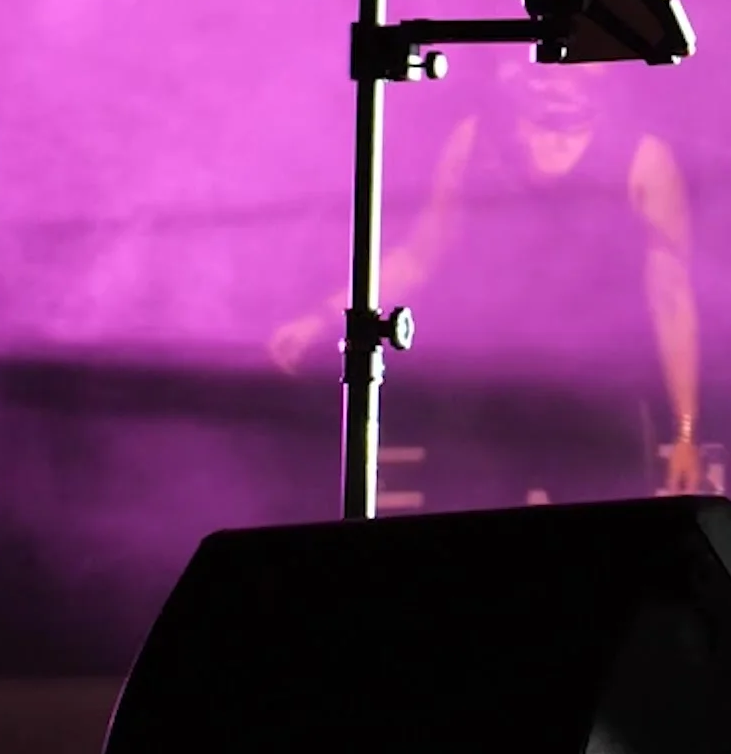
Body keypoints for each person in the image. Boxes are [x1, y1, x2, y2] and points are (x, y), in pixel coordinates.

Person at [271, 58, 707, 502]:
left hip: (593, 401)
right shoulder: (476, 142)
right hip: (485, 393)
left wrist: (686, 431)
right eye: (551, 72)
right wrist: (324, 318)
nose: (563, 83)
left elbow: (671, 299)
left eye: (580, 71)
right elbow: (419, 256)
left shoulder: (644, 159)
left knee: (603, 562)